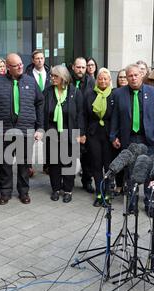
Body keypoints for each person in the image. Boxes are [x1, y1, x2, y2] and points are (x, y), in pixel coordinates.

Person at [0, 53, 44, 205]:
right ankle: (5, 193)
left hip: (26, 129)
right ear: (7, 67)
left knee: (24, 163)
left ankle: (23, 192)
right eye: (16, 65)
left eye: (20, 64)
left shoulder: (30, 82)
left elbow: (40, 103)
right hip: (3, 129)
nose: (20, 67)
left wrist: (40, 127)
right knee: (5, 163)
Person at [110, 64, 154, 212]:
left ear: (142, 75)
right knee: (130, 172)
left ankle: (149, 202)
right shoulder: (118, 93)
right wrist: (113, 136)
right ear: (126, 78)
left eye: (136, 75)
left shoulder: (153, 93)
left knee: (148, 172)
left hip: (148, 139)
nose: (133, 78)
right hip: (129, 139)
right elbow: (114, 117)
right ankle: (131, 202)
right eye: (130, 76)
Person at [43, 65, 85, 203]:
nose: (52, 78)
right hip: (52, 133)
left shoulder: (75, 92)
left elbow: (80, 115)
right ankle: (55, 188)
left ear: (63, 77)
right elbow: (43, 113)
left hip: (70, 132)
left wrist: (81, 133)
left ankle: (67, 190)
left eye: (55, 76)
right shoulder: (48, 92)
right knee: (54, 163)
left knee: (68, 163)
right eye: (51, 76)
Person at [84, 68, 114, 207]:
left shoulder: (114, 95)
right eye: (100, 78)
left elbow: (117, 117)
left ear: (109, 80)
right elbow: (84, 115)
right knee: (96, 165)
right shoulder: (90, 94)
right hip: (93, 134)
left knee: (108, 166)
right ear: (97, 80)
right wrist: (83, 134)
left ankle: (107, 194)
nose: (102, 81)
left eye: (105, 79)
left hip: (109, 135)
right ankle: (99, 193)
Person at [70, 57, 96, 194]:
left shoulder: (92, 82)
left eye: (83, 67)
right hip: (70, 123)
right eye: (78, 67)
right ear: (73, 67)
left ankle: (87, 181)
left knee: (87, 156)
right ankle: (68, 181)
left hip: (86, 124)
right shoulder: (67, 80)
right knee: (69, 154)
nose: (81, 70)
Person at [25, 49, 52, 177]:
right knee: (29, 138)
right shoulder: (27, 75)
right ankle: (28, 166)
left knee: (47, 137)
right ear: (33, 60)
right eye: (37, 58)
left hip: (47, 111)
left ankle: (47, 165)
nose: (40, 60)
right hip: (32, 110)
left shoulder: (51, 74)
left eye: (42, 58)